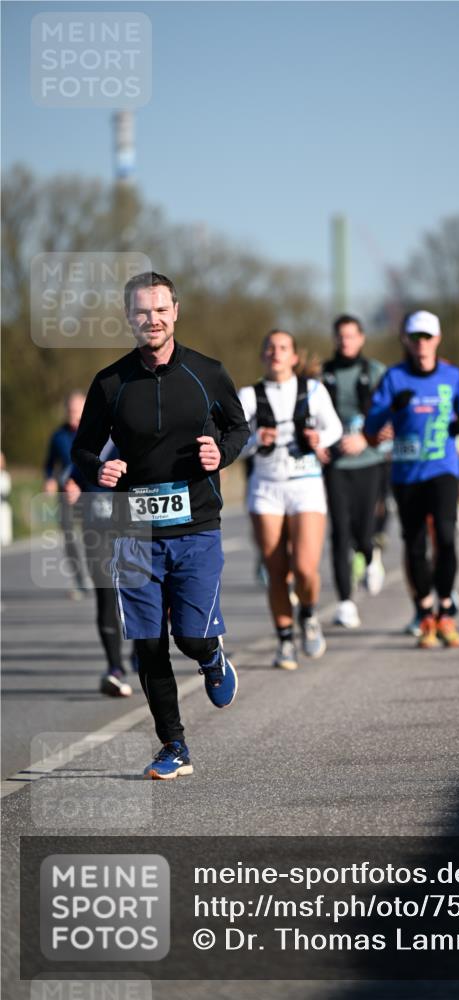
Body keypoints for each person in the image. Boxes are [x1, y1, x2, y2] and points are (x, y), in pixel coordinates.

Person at [72, 271, 249, 779]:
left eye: (160, 310)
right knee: (148, 644)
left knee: (189, 636)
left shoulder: (208, 373)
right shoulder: (110, 382)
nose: (152, 319)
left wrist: (223, 453)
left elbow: (239, 428)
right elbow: (81, 447)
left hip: (196, 525)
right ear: (129, 318)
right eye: (141, 312)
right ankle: (174, 745)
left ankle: (211, 655)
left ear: (176, 311)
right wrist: (95, 467)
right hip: (132, 530)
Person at [365, 309, 459, 650]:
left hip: (443, 468)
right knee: (414, 544)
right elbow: (370, 431)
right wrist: (390, 409)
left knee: (445, 536)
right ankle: (425, 611)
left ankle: (446, 611)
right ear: (406, 342)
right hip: (406, 473)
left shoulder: (452, 375)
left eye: (427, 337)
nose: (422, 344)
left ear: (437, 339)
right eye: (415, 338)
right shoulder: (394, 378)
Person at [238, 329, 342, 670]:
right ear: (263, 355)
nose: (276, 353)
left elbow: (335, 429)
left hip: (306, 484)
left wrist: (318, 437)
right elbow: (232, 443)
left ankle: (308, 615)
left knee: (305, 568)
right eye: (270, 347)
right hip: (266, 487)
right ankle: (284, 640)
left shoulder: (313, 390)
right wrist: (255, 438)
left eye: (283, 348)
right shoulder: (249, 395)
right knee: (276, 569)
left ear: (294, 357)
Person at [321, 314, 387, 629]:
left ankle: (371, 555)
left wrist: (367, 437)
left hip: (368, 460)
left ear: (361, 338)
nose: (345, 342)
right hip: (335, 465)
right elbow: (309, 416)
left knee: (363, 530)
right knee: (339, 533)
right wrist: (316, 443)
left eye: (351, 336)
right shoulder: (323, 374)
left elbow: (390, 414)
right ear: (334, 339)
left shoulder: (374, 372)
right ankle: (346, 602)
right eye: (340, 336)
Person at [65, 440, 135, 698]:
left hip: (131, 528)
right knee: (106, 595)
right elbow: (74, 477)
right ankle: (114, 668)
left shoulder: (132, 429)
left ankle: (141, 650)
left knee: (137, 594)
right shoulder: (89, 441)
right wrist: (71, 488)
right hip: (96, 532)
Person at [44, 391, 90, 599]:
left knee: (93, 537)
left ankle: (98, 576)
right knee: (69, 537)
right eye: (70, 410)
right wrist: (50, 479)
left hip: (90, 494)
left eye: (77, 410)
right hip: (66, 493)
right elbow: (49, 464)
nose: (73, 414)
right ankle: (79, 581)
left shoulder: (94, 432)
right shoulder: (58, 436)